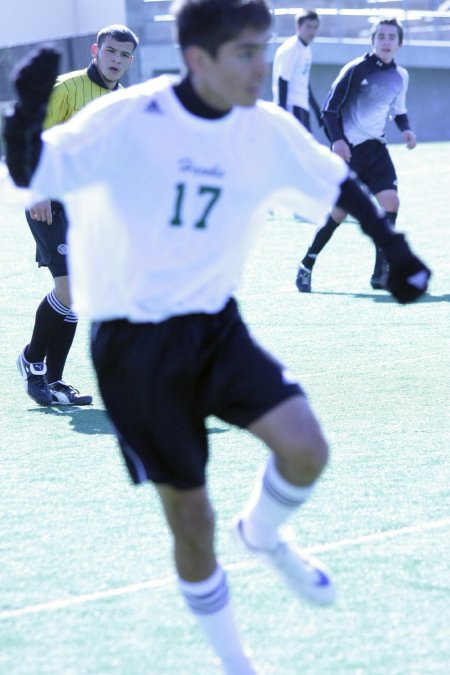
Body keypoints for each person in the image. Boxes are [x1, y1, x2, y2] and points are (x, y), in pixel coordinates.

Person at [4, 1, 430, 672]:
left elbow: (336, 183)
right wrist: (21, 123)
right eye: (246, 53)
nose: (264, 65)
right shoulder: (127, 117)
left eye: (264, 48)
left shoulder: (265, 128)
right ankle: (238, 663)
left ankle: (261, 533)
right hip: (134, 348)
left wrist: (394, 250)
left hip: (214, 327)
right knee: (192, 522)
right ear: (198, 60)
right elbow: (36, 173)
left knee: (306, 449)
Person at [16, 24, 139, 406]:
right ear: (95, 50)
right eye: (111, 52)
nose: (116, 60)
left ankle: (54, 382)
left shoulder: (122, 100)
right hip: (50, 202)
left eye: (124, 55)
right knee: (68, 289)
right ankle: (31, 361)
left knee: (76, 294)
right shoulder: (66, 87)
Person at [296, 17, 417, 293]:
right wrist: (337, 141)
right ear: (373, 41)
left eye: (391, 37)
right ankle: (307, 262)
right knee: (339, 212)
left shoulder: (401, 76)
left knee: (390, 202)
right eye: (381, 36)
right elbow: (329, 110)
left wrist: (406, 130)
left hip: (377, 149)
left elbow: (398, 110)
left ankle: (380, 274)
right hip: (349, 152)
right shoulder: (354, 69)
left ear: (400, 44)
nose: (386, 41)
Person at [272, 9, 322, 132]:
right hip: (292, 106)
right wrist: (282, 113)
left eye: (315, 27)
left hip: (302, 106)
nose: (312, 31)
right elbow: (282, 79)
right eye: (308, 26)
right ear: (298, 26)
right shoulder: (291, 48)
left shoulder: (306, 49)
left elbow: (304, 83)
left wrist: (317, 111)